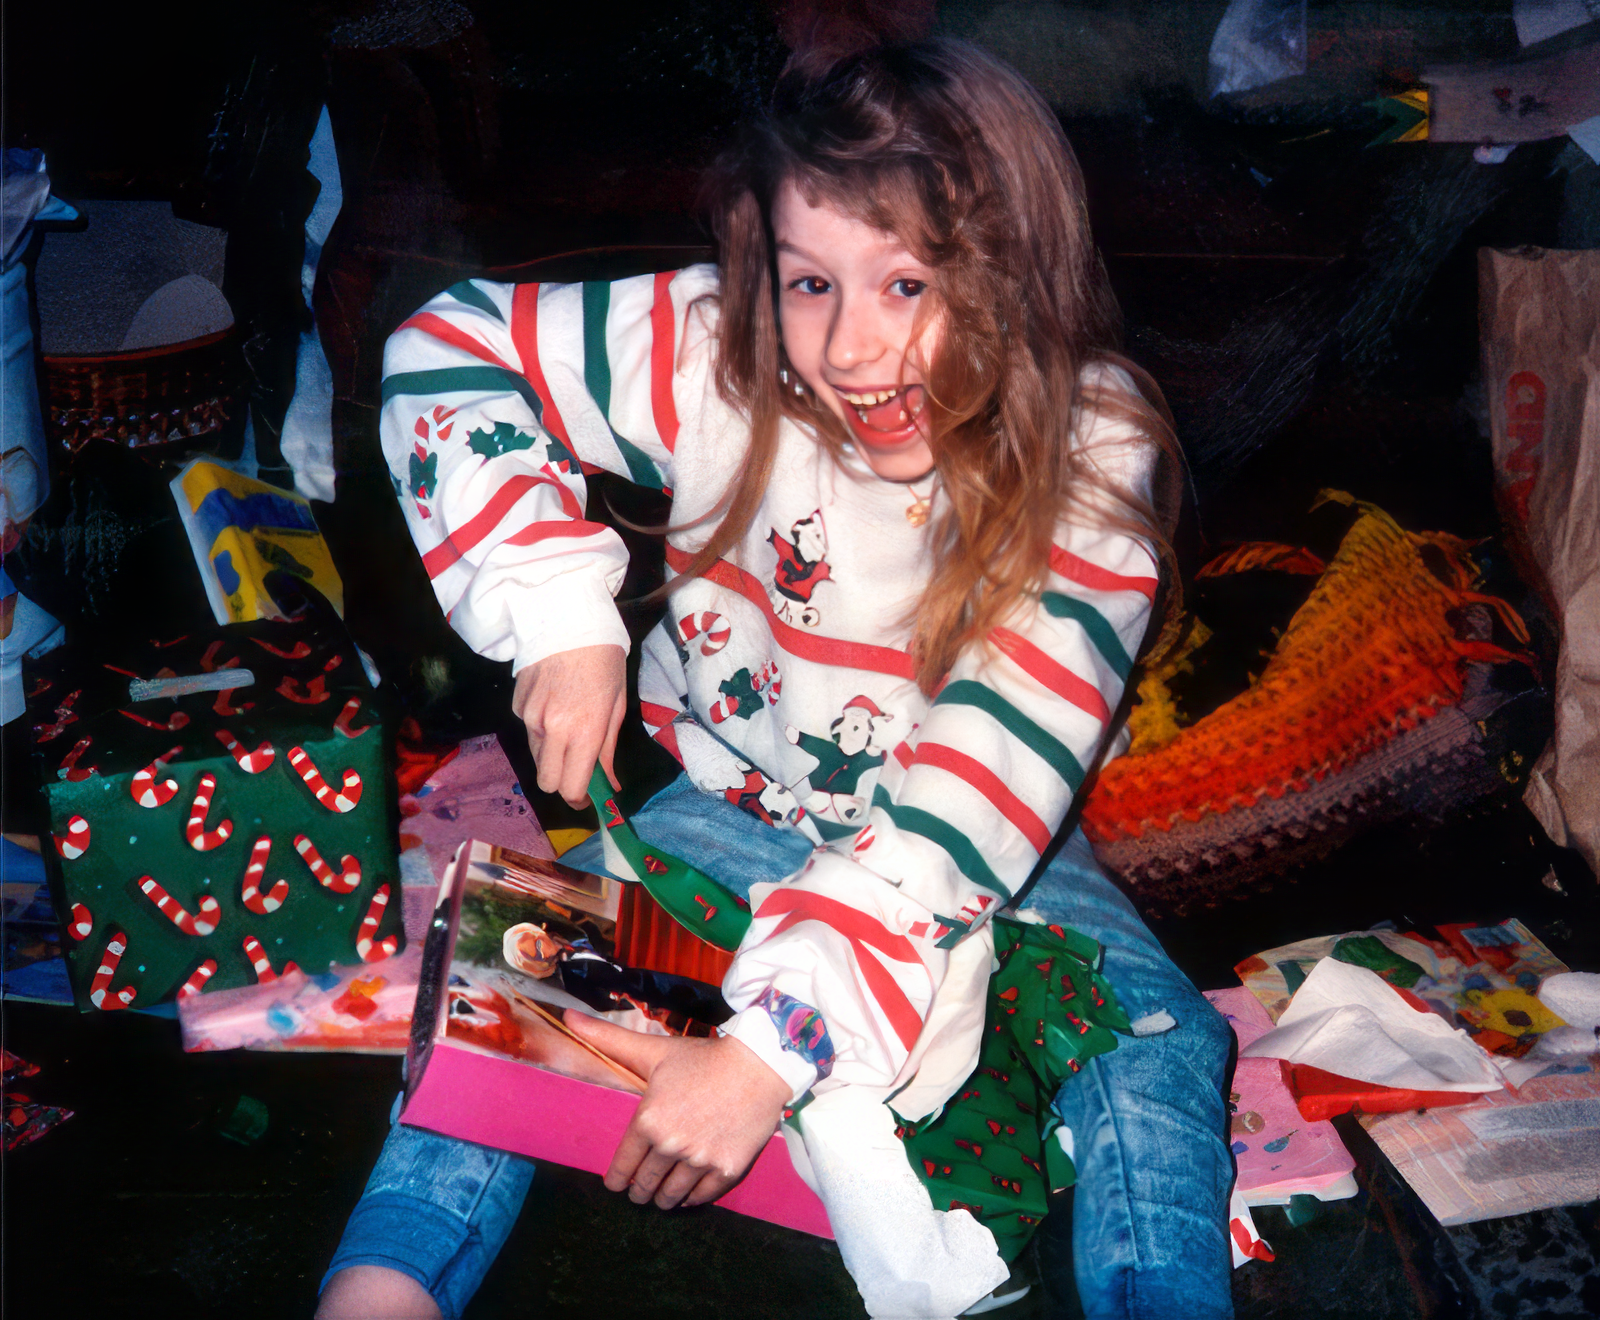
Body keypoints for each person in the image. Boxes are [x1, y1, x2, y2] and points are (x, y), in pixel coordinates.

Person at [318, 38, 1234, 1320]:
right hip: (734, 803)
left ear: (1016, 274)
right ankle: (380, 1290)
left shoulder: (1092, 450)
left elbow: (975, 791)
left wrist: (765, 1056)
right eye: (811, 282)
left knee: (1160, 1049)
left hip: (988, 843)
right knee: (512, 988)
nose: (851, 348)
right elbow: (451, 344)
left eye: (907, 283)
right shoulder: (723, 347)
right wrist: (559, 614)